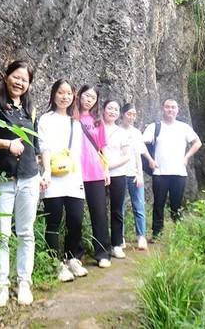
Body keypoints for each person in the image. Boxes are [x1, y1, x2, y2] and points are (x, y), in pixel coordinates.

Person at [0, 60, 39, 307]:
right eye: (16, 77)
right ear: (6, 77)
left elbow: (35, 144)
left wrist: (41, 172)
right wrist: (7, 144)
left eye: (25, 80)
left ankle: (24, 282)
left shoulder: (30, 109)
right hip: (1, 179)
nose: (19, 82)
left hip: (29, 177)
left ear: (29, 84)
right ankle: (1, 284)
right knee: (1, 233)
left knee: (25, 232)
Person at [38, 80, 89, 282]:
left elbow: (78, 153)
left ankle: (71, 258)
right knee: (53, 220)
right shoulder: (45, 119)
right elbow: (44, 146)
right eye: (61, 92)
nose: (65, 97)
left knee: (75, 220)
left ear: (73, 96)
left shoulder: (75, 123)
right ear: (53, 94)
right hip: (52, 176)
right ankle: (55, 262)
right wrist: (46, 172)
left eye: (68, 93)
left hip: (73, 177)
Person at [143, 98, 202, 239]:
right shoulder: (154, 127)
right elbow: (141, 143)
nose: (170, 110)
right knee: (159, 204)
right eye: (167, 107)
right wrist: (150, 160)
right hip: (160, 172)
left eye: (173, 107)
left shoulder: (184, 127)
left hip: (179, 172)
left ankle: (178, 233)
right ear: (162, 109)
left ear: (177, 110)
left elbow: (197, 142)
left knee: (177, 204)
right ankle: (157, 234)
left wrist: (187, 157)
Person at [76, 85, 112, 267]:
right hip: (74, 172)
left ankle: (103, 253)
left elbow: (103, 147)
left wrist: (107, 170)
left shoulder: (98, 121)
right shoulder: (71, 117)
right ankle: (75, 254)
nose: (88, 100)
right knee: (75, 215)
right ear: (79, 96)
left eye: (92, 97)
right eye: (86, 95)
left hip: (96, 172)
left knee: (99, 214)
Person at [119, 103, 155, 250]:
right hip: (120, 174)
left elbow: (138, 154)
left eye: (134, 114)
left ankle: (141, 236)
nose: (131, 117)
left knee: (139, 205)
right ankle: (120, 237)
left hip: (134, 173)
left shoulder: (136, 133)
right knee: (119, 207)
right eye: (129, 114)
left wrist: (140, 174)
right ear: (122, 114)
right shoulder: (116, 131)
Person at [102, 100, 132, 259]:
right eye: (109, 108)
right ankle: (102, 244)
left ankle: (117, 244)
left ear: (119, 113)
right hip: (98, 175)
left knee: (116, 210)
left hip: (118, 174)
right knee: (100, 210)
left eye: (115, 109)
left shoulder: (121, 132)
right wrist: (103, 168)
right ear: (103, 110)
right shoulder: (97, 127)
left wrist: (110, 166)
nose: (112, 111)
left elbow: (127, 156)